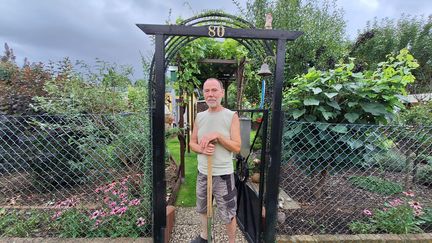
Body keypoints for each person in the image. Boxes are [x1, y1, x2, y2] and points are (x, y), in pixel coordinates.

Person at [189, 78, 241, 243]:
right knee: (203, 208)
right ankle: (205, 236)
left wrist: (218, 136)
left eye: (214, 90)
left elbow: (237, 146)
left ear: (221, 93)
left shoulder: (231, 116)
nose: (210, 94)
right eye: (207, 91)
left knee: (228, 212)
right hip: (203, 172)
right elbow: (192, 144)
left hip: (223, 175)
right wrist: (202, 149)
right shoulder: (199, 117)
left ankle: (232, 241)